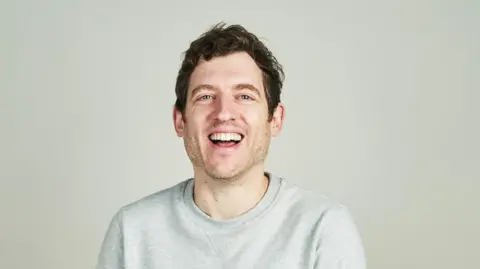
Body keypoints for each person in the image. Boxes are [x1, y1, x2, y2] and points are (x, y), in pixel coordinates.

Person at [95, 22, 366, 269]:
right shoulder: (132, 232)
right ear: (180, 120)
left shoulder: (323, 229)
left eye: (245, 95)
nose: (224, 112)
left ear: (275, 119)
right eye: (205, 96)